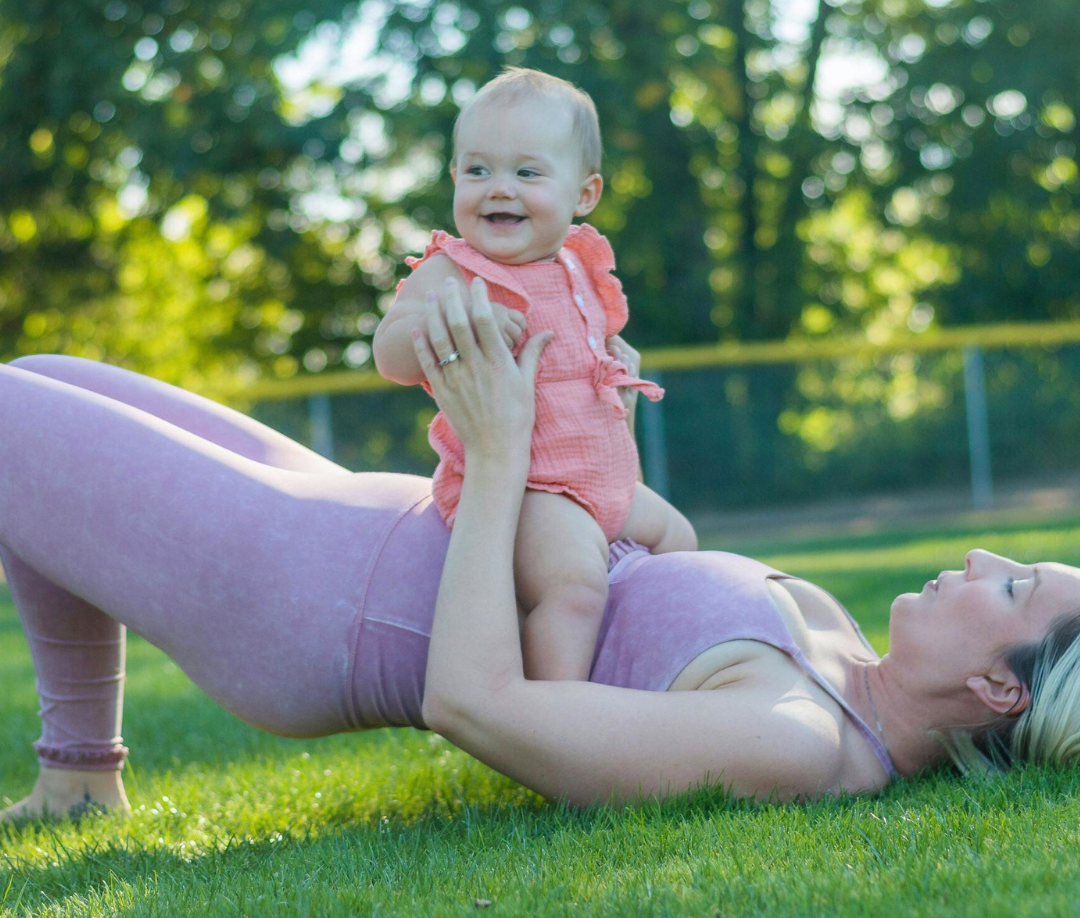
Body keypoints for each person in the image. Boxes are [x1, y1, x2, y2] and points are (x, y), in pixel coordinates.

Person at [3, 281, 1080, 820]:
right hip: (362, 519)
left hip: (309, 595)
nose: (984, 558)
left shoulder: (796, 742)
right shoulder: (842, 660)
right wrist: (584, 417)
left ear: (999, 687)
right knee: (43, 379)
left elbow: (477, 705)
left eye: (1015, 586)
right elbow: (657, 584)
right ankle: (77, 777)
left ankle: (81, 778)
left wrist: (504, 443)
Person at [374, 67, 696, 681]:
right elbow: (389, 353)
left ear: (584, 195)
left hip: (604, 480)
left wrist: (615, 356)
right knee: (573, 588)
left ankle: (646, 674)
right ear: (454, 179)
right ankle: (551, 718)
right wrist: (466, 325)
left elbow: (580, 347)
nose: (499, 188)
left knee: (680, 540)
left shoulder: (577, 266)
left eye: (527, 172)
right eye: (477, 170)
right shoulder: (455, 271)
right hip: (527, 491)